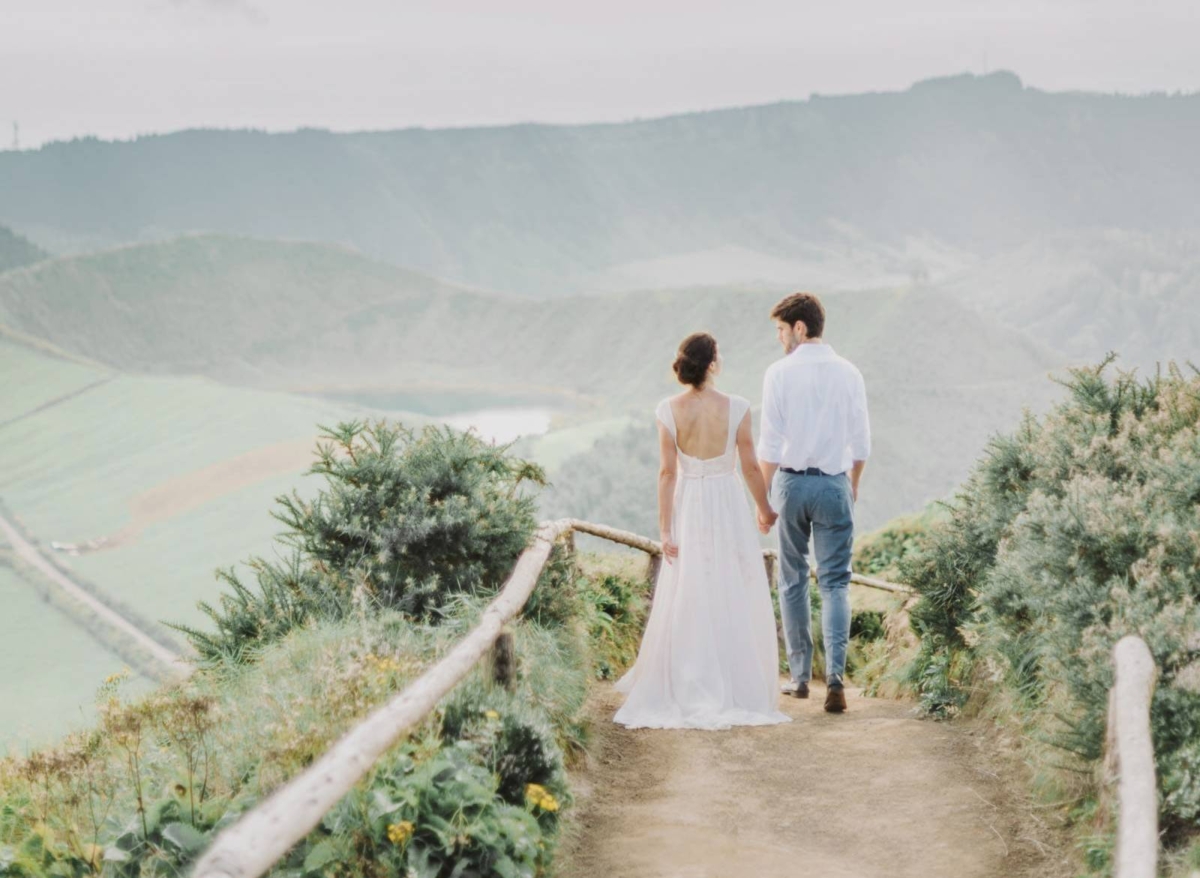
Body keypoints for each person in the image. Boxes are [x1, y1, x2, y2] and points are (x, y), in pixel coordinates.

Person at [613, 332, 791, 730]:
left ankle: (688, 676)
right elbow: (748, 466)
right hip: (727, 503)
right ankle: (734, 680)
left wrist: (665, 529)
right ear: (712, 363)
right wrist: (764, 508)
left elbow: (666, 472)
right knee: (730, 582)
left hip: (690, 503)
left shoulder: (667, 410)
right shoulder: (738, 408)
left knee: (690, 585)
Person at [757, 292, 871, 714]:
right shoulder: (850, 373)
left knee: (792, 580)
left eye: (781, 331)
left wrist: (763, 500)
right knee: (836, 582)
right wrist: (851, 484)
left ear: (800, 328)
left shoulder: (778, 374)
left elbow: (769, 444)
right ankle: (837, 679)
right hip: (835, 483)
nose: (779, 339)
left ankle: (801, 679)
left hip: (790, 483)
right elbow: (861, 443)